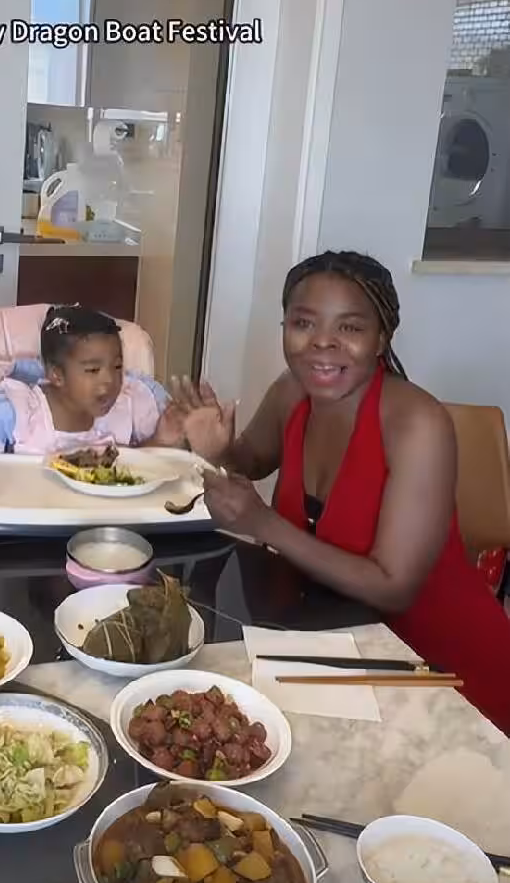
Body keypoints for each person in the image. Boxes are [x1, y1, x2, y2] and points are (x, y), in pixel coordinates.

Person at [181, 249, 510, 737]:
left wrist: (264, 524)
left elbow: (394, 587)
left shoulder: (417, 423)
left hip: (439, 670)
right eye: (303, 323)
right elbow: (252, 460)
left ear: (381, 338)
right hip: (337, 642)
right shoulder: (293, 391)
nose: (322, 342)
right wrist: (221, 448)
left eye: (350, 327)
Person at [0, 305, 205, 477]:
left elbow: (137, 468)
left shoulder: (129, 405)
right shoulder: (19, 409)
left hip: (106, 525)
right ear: (56, 375)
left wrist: (160, 440)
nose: (109, 381)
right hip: (30, 525)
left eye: (117, 366)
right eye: (93, 370)